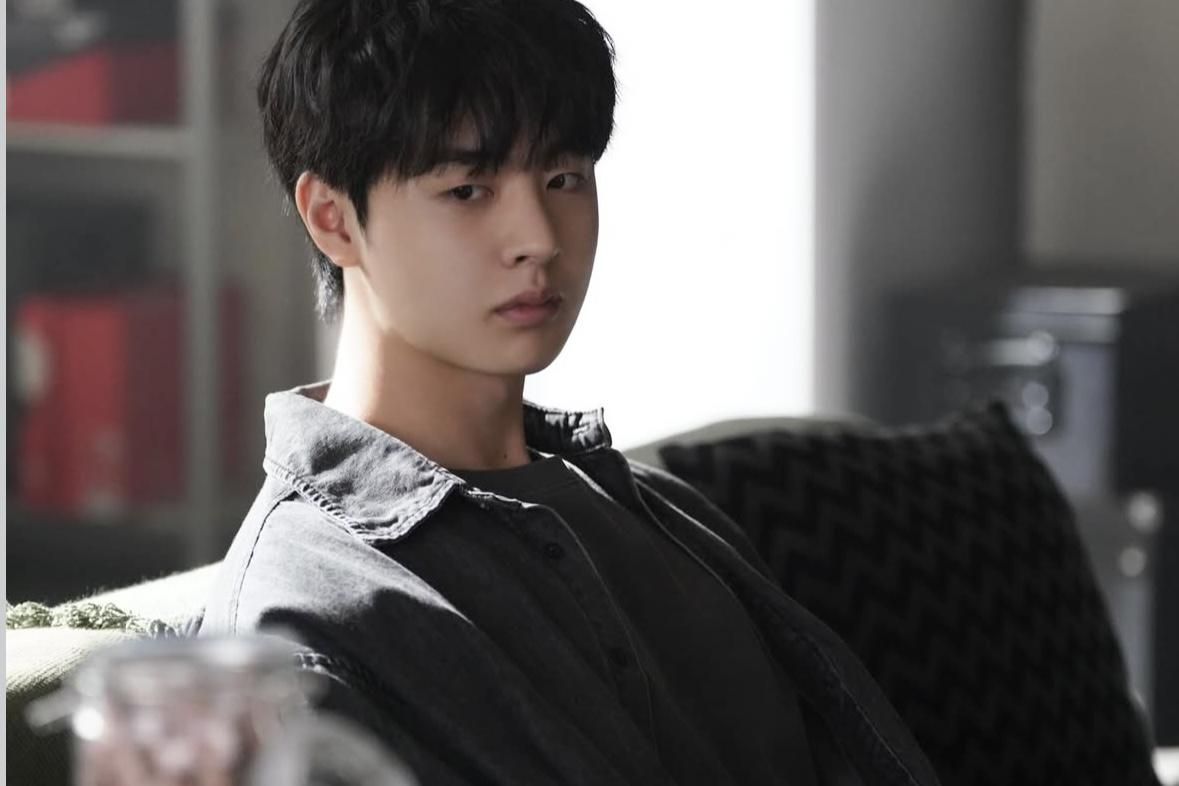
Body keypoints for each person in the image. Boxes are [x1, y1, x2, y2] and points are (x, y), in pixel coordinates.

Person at [199, 1, 940, 784]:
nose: (540, 239)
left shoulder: (663, 513)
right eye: (468, 190)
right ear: (333, 218)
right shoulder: (300, 627)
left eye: (563, 179)